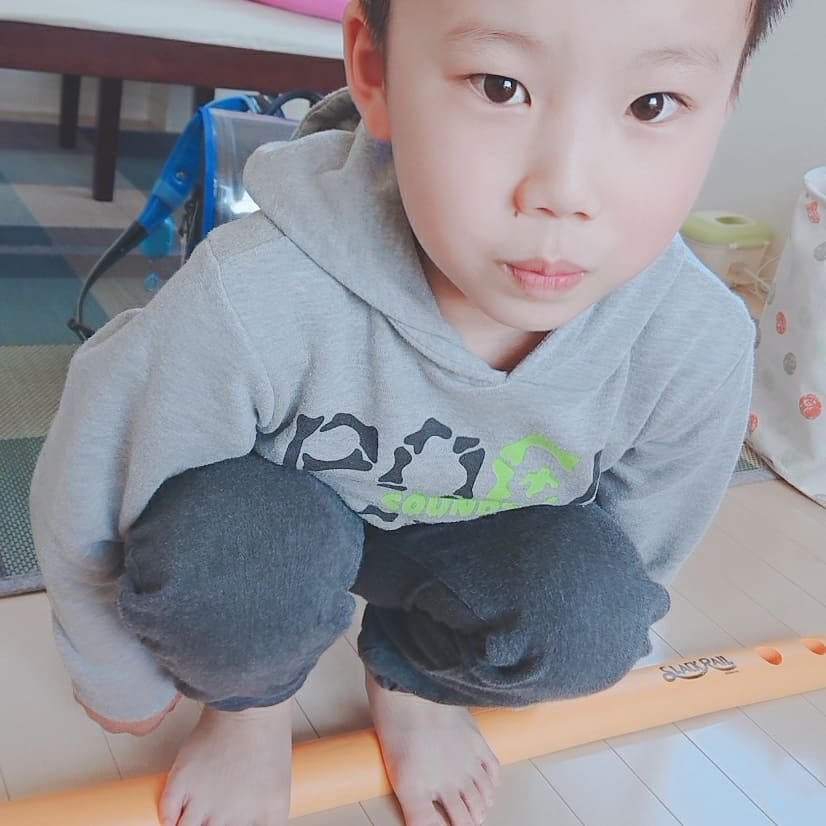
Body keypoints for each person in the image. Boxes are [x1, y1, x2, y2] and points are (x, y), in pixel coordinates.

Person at [29, 0, 791, 824]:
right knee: (231, 562)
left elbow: (640, 556)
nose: (566, 191)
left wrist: (502, 651)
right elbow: (100, 467)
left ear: (727, 100)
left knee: (592, 616)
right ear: (375, 70)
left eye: (652, 104)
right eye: (500, 87)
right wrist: (114, 670)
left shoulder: (694, 340)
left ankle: (411, 683)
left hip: (469, 545)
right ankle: (248, 710)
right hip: (277, 529)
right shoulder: (254, 290)